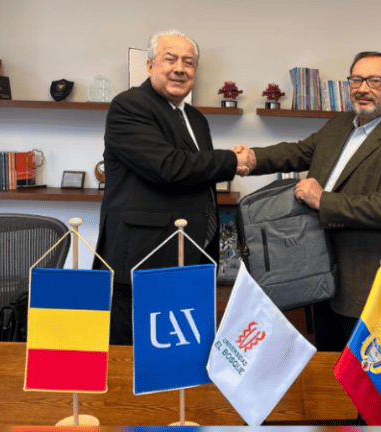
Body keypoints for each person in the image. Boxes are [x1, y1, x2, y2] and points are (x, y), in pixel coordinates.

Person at [235, 51, 381, 351]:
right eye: (356, 80)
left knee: (362, 371)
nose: (362, 88)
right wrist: (252, 158)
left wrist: (322, 200)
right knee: (325, 363)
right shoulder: (340, 125)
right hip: (317, 272)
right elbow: (299, 152)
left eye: (374, 80)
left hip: (364, 284)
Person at [93, 30, 252, 345]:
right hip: (142, 262)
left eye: (188, 62)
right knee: (133, 358)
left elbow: (198, 174)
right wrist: (232, 161)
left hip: (190, 257)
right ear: (150, 65)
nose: (180, 68)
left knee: (180, 357)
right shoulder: (129, 106)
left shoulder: (195, 118)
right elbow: (168, 167)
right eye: (171, 59)